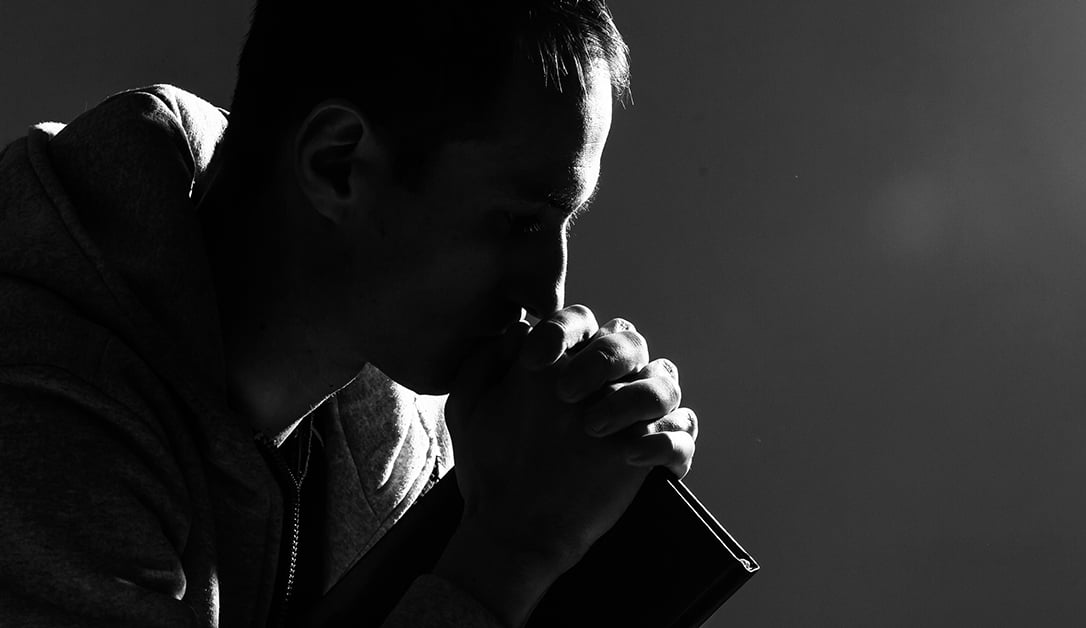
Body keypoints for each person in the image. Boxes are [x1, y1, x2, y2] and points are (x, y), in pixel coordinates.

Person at [0, 1, 699, 627]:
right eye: (519, 221)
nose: (548, 294)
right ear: (337, 164)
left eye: (563, 223)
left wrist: (581, 501)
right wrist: (515, 548)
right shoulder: (37, 424)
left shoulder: (398, 407)